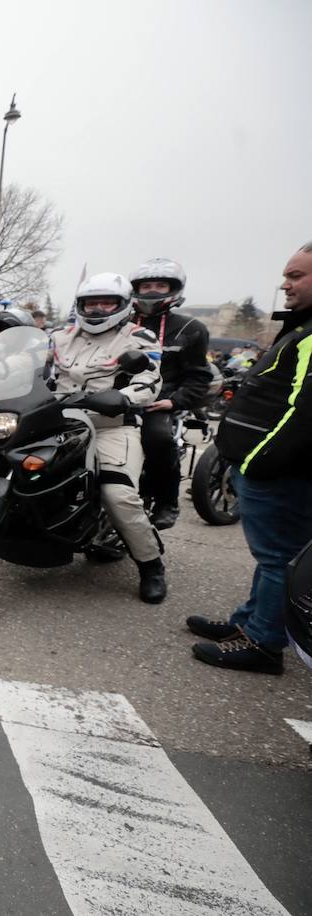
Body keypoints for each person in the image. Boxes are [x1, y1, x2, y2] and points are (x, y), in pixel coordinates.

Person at [191, 242, 312, 674]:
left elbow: (304, 412)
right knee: (273, 557)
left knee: (279, 558)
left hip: (281, 475)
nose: (285, 284)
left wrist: (257, 461)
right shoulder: (303, 329)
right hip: (270, 471)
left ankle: (263, 645)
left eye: (297, 276)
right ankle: (249, 624)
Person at [51, 273, 166, 603]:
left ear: (122, 305)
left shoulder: (138, 338)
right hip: (59, 421)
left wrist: (125, 396)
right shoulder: (60, 336)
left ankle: (150, 564)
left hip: (110, 425)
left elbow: (149, 378)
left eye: (106, 302)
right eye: (91, 302)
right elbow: (31, 366)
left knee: (116, 493)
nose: (98, 309)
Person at [129, 258, 210, 530]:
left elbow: (199, 376)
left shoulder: (191, 328)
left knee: (159, 438)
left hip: (160, 401)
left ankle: (167, 501)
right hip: (118, 398)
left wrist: (173, 402)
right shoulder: (119, 322)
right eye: (147, 285)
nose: (152, 291)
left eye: (160, 285)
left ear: (173, 289)